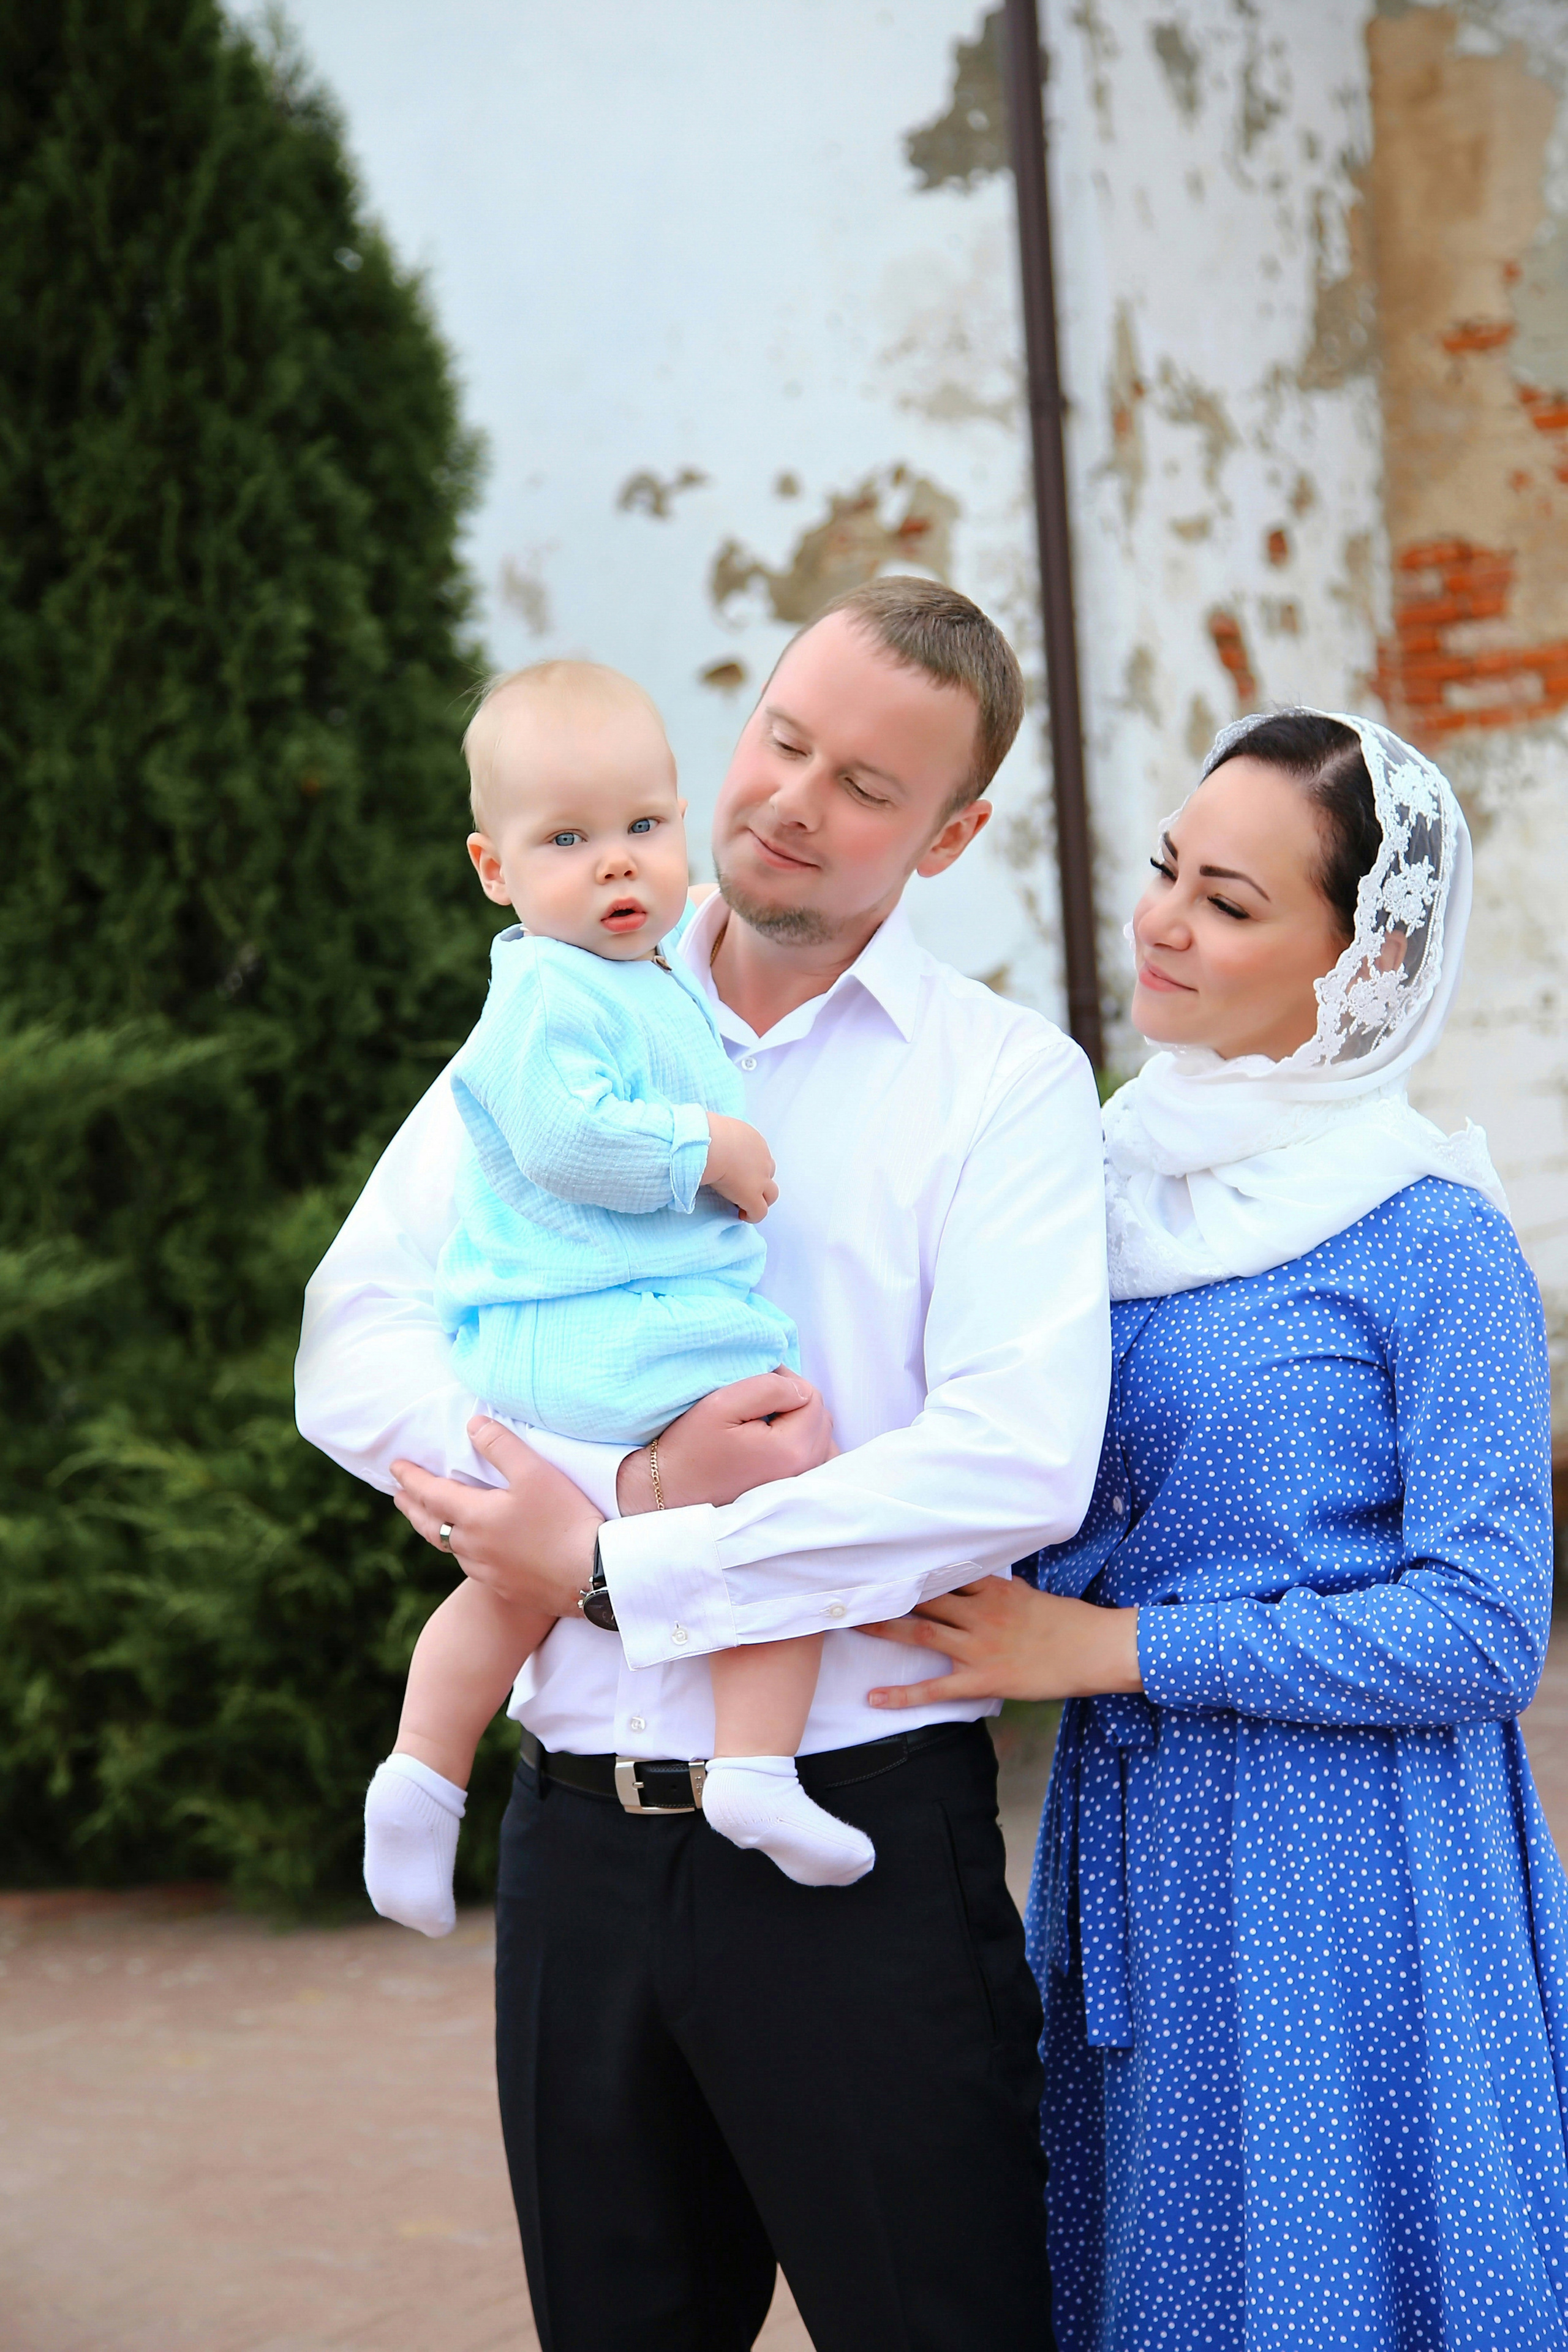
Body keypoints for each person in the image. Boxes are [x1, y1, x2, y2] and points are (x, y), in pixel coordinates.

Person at [295, 576, 1111, 2352]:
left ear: (955, 833)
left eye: (869, 786)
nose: (794, 800)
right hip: (579, 1859)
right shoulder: (556, 1026)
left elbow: (1013, 1461)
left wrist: (609, 1571)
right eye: (781, 738)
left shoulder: (1003, 1090)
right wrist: (619, 1489)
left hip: (862, 1854)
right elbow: (356, 1340)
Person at [865, 710, 1568, 2351]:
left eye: (1233, 902)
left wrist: (1116, 1645)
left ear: (1360, 958)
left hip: (1358, 1877)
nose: (1166, 921)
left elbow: (1483, 1631)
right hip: (1145, 1851)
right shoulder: (1095, 1189)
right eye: (1170, 870)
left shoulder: (1430, 1238)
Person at [364, 659, 875, 1944]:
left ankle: (420, 1777)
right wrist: (709, 1149)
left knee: (514, 1589)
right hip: (589, 1336)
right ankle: (755, 1766)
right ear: (495, 870)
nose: (616, 868)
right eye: (569, 841)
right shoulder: (539, 989)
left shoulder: (633, 979)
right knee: (789, 1466)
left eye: (644, 829)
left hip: (590, 1339)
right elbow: (563, 1143)